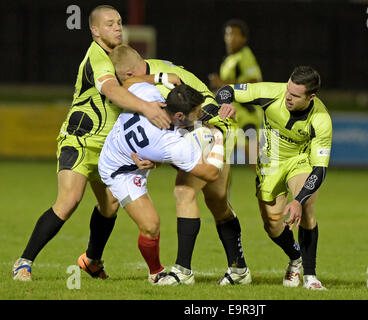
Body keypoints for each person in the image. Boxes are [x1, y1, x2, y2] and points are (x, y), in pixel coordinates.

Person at [12, 5, 174, 281]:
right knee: (69, 201)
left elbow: (125, 107)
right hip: (80, 140)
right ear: (95, 30)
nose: (117, 27)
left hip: (109, 148)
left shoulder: (120, 60)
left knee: (109, 206)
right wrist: (149, 107)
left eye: (120, 22)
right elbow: (112, 90)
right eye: (110, 23)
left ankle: (92, 261)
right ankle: (24, 261)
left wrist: (136, 148)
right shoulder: (97, 58)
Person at [108, 44, 251, 285]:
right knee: (218, 204)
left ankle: (183, 271)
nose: (116, 85)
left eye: (118, 78)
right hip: (196, 132)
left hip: (209, 130)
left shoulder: (158, 85)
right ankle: (239, 270)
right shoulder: (155, 74)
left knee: (184, 192)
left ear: (129, 73)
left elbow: (201, 109)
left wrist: (215, 134)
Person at [215, 66, 332, 290]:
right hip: (269, 161)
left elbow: (319, 169)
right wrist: (226, 103)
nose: (288, 97)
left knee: (306, 208)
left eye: (295, 95)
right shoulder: (271, 92)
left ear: (311, 97)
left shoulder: (321, 120)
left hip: (300, 161)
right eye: (288, 90)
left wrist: (298, 200)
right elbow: (225, 90)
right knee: (272, 225)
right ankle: (295, 257)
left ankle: (310, 276)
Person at [98, 82, 224, 284]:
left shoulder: (147, 92)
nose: (201, 116)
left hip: (124, 150)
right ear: (180, 116)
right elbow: (210, 173)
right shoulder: (171, 143)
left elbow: (128, 83)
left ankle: (91, 258)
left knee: (107, 209)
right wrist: (218, 139)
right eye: (197, 112)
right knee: (150, 225)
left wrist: (160, 76)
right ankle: (156, 272)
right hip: (120, 171)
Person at [208, 19, 263, 165]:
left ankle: (269, 186)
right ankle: (224, 188)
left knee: (253, 156)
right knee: (222, 154)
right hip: (231, 112)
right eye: (228, 34)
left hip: (245, 113)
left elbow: (255, 82)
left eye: (235, 34)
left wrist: (222, 83)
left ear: (244, 38)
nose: (231, 38)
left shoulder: (245, 55)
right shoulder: (230, 59)